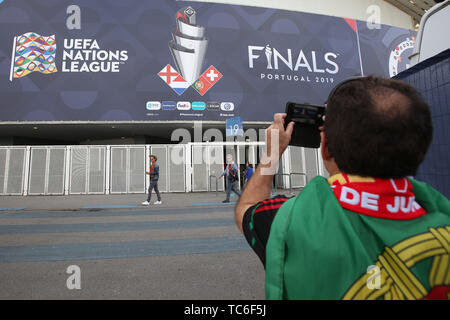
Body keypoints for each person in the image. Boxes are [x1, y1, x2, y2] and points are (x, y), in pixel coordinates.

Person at [235, 76, 450, 300]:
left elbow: (247, 208)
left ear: (325, 148)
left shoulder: (293, 219)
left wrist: (273, 153)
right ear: (420, 147)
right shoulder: (442, 219)